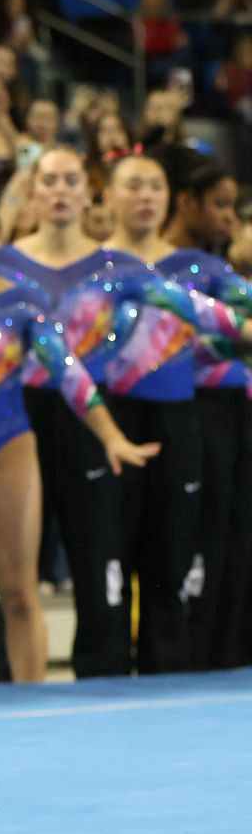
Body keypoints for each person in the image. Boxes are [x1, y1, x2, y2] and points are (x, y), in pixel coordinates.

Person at [0, 148, 252, 676]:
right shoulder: (63, 266)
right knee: (65, 563)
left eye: (154, 186)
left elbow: (224, 316)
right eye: (132, 186)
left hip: (162, 418)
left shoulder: (173, 270)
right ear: (107, 196)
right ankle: (60, 673)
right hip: (71, 415)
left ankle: (162, 672)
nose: (144, 197)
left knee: (161, 557)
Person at [0, 194, 154, 690]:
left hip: (8, 448)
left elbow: (70, 374)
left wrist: (112, 436)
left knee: (20, 592)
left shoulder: (23, 305)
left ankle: (32, 706)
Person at [161, 150, 252, 669]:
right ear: (186, 202)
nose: (229, 218)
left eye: (234, 208)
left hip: (232, 408)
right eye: (219, 205)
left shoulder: (218, 268)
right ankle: (190, 652)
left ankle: (228, 651)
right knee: (196, 536)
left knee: (232, 535)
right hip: (187, 410)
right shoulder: (170, 269)